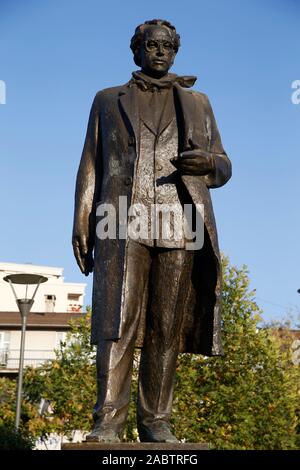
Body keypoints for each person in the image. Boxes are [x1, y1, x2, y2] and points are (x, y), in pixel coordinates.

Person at [72, 19, 232, 443]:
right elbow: (91, 161)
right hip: (121, 220)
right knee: (117, 323)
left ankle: (156, 421)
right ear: (136, 50)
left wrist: (209, 165)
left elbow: (223, 163)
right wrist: (81, 219)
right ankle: (107, 421)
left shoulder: (198, 102)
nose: (161, 52)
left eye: (168, 46)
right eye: (152, 45)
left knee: (166, 328)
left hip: (181, 223)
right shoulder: (107, 100)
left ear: (175, 51)